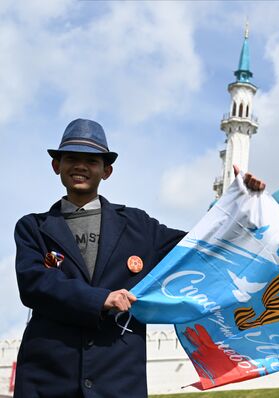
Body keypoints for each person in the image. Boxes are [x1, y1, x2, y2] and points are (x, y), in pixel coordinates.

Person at [13, 118, 265, 397]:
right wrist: (102, 300)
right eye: (71, 158)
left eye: (92, 161)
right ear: (56, 166)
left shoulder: (138, 226)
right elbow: (34, 285)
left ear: (106, 171)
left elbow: (198, 246)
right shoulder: (33, 227)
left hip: (118, 379)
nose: (81, 166)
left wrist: (241, 205)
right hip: (49, 378)